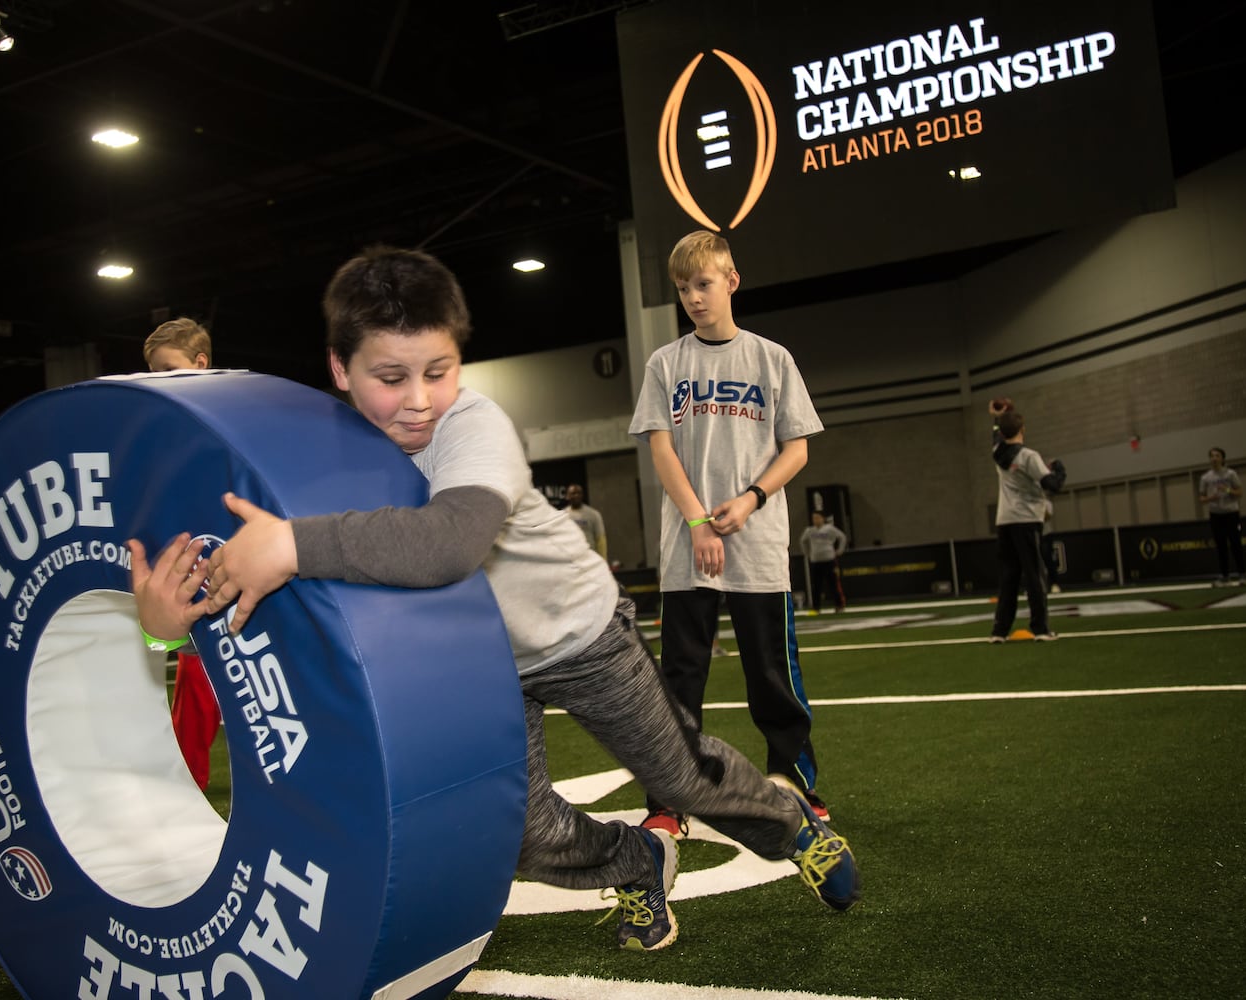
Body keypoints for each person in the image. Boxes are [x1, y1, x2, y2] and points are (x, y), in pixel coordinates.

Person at [131, 246, 860, 953]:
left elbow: (448, 541)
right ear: (339, 370)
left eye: (437, 371)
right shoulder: (322, 455)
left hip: (576, 631)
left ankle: (790, 826)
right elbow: (252, 585)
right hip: (478, 666)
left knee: (676, 773)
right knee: (520, 835)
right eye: (388, 376)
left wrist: (292, 545)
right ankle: (639, 862)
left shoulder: (471, 422)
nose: (417, 400)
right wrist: (170, 631)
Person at [629, 230, 833, 834]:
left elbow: (797, 450)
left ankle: (794, 788)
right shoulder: (666, 364)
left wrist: (750, 500)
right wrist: (697, 521)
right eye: (683, 288)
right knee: (680, 680)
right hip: (688, 548)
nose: (693, 297)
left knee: (772, 674)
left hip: (759, 546)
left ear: (731, 280)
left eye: (704, 284)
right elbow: (661, 451)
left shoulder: (772, 359)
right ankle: (669, 802)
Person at [142, 318, 222, 791]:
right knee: (193, 686)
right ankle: (181, 788)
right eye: (152, 371)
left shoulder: (233, 419)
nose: (157, 380)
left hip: (241, 579)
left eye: (167, 369)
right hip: (191, 584)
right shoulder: (161, 431)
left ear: (200, 364)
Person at [987, 401, 1066, 643]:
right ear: (1022, 430)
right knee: (1034, 574)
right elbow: (1052, 485)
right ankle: (1040, 628)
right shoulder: (1028, 456)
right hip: (1026, 520)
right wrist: (1059, 470)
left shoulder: (997, 453)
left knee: (1009, 576)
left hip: (1004, 521)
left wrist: (996, 418)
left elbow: (996, 440)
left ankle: (999, 631)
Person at [1199, 447, 1246, 586]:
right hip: (1215, 515)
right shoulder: (1205, 478)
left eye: (1217, 455)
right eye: (1212, 456)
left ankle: (1242, 575)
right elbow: (1201, 499)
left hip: (1231, 513)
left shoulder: (1231, 474)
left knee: (1236, 544)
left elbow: (1240, 492)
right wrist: (1211, 498)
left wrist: (1227, 490)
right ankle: (1225, 577)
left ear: (1222, 458)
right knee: (1221, 546)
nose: (1214, 458)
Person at [563, 484, 608, 561]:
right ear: (568, 496)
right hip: (571, 560)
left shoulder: (593, 514)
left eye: (579, 493)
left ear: (582, 495)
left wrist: (603, 560)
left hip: (590, 559)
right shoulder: (562, 516)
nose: (576, 495)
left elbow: (600, 540)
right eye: (573, 493)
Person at [1041, 496, 1061, 594]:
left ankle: (1054, 584)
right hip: (1032, 535)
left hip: (1046, 535)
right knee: (1032, 562)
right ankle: (1036, 586)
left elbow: (1047, 516)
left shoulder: (1046, 503)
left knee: (1048, 559)